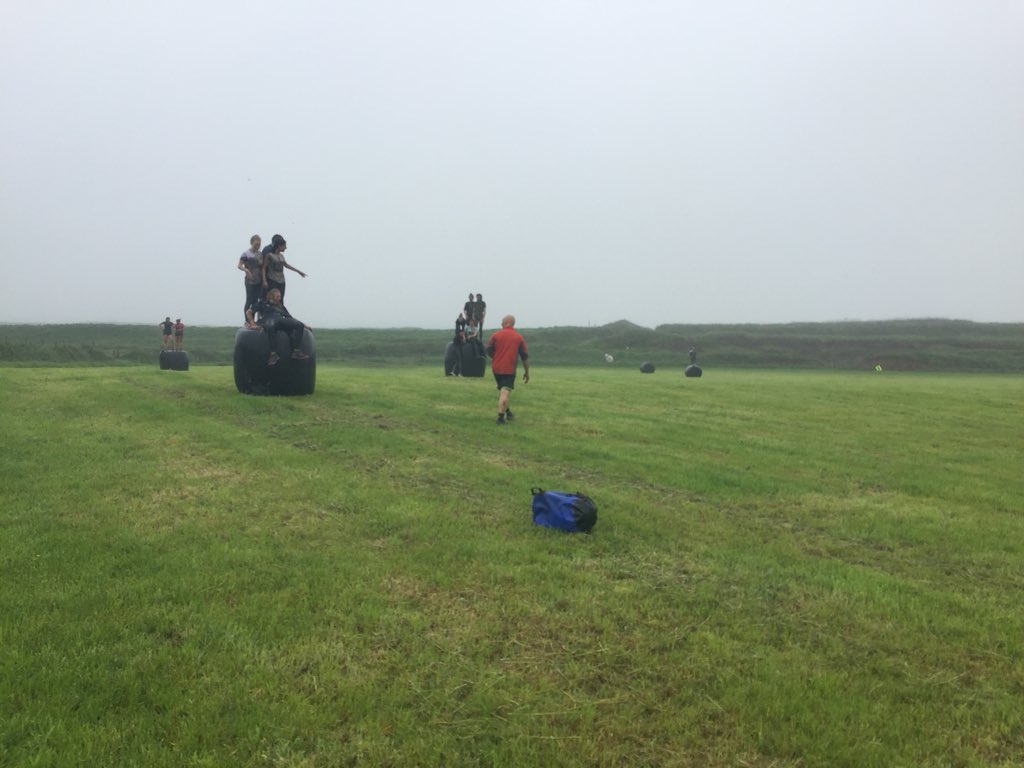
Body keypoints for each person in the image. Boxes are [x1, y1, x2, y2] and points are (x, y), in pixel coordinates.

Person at [247, 287, 311, 366]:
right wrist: (252, 323)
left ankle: (296, 351)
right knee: (271, 325)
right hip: (269, 320)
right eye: (277, 297)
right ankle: (273, 354)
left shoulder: (281, 307)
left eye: (280, 296)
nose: (279, 298)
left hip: (281, 320)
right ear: (271, 296)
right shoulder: (262, 303)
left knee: (299, 325)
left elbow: (290, 318)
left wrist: (304, 325)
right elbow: (249, 312)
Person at [485, 314, 529, 425]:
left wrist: (495, 357)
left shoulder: (495, 335)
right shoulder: (519, 337)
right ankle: (500, 418)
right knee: (505, 392)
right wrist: (527, 372)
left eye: (502, 322)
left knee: (503, 391)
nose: (501, 324)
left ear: (506, 323)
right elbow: (524, 356)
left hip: (496, 368)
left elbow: (488, 349)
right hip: (509, 369)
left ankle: (508, 412)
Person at [261, 234, 307, 301]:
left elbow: (286, 265)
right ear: (279, 246)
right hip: (272, 279)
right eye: (284, 246)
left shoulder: (281, 256)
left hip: (281, 280)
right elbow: (264, 268)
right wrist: (264, 280)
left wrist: (299, 271)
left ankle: (280, 310)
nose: (285, 248)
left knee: (280, 298)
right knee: (271, 297)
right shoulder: (269, 255)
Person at [237, 234, 263, 327]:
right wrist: (246, 270)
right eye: (256, 244)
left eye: (259, 244)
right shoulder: (246, 254)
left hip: (258, 280)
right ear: (251, 243)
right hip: (249, 280)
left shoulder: (260, 254)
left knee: (256, 301)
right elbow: (239, 265)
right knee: (249, 300)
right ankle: (247, 321)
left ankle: (253, 320)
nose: (257, 246)